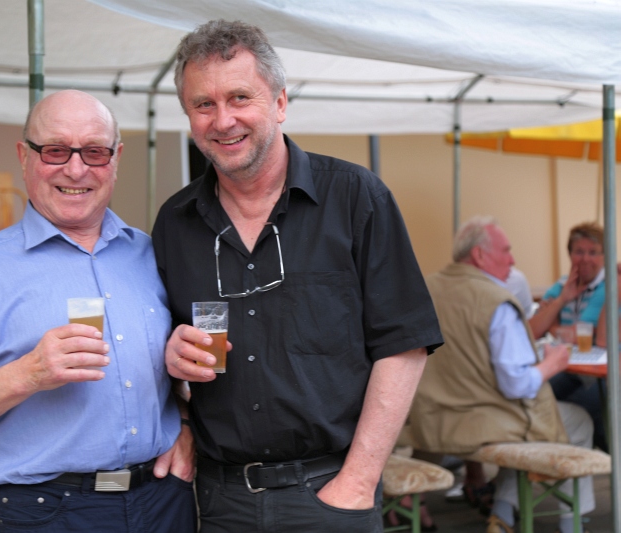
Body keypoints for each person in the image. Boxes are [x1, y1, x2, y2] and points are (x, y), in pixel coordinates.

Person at [152, 19, 443, 533]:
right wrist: (172, 367)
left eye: (240, 97)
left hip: (331, 492)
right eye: (203, 104)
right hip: (221, 501)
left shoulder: (355, 197)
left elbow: (404, 344)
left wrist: (358, 481)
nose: (223, 120)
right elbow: (157, 351)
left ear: (280, 102)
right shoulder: (175, 223)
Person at [0, 90, 197, 533]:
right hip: (52, 511)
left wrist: (186, 423)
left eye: (94, 152)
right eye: (55, 150)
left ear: (116, 158)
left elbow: (171, 375)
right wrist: (28, 374)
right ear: (24, 157)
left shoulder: (149, 254)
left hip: (164, 499)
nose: (76, 169)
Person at [409, 216, 594, 533]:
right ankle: (571, 524)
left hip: (428, 420)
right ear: (480, 255)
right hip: (480, 424)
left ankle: (504, 513)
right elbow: (517, 385)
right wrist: (552, 364)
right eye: (506, 251)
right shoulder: (496, 302)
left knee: (530, 421)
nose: (513, 260)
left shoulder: (425, 288)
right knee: (577, 419)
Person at [529, 222, 606, 451]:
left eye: (593, 252)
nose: (585, 259)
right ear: (570, 254)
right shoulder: (564, 284)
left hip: (600, 373)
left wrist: (553, 324)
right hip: (569, 368)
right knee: (534, 397)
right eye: (579, 252)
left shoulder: (608, 286)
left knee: (586, 407)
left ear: (604, 256)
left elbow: (581, 334)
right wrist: (563, 299)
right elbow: (531, 330)